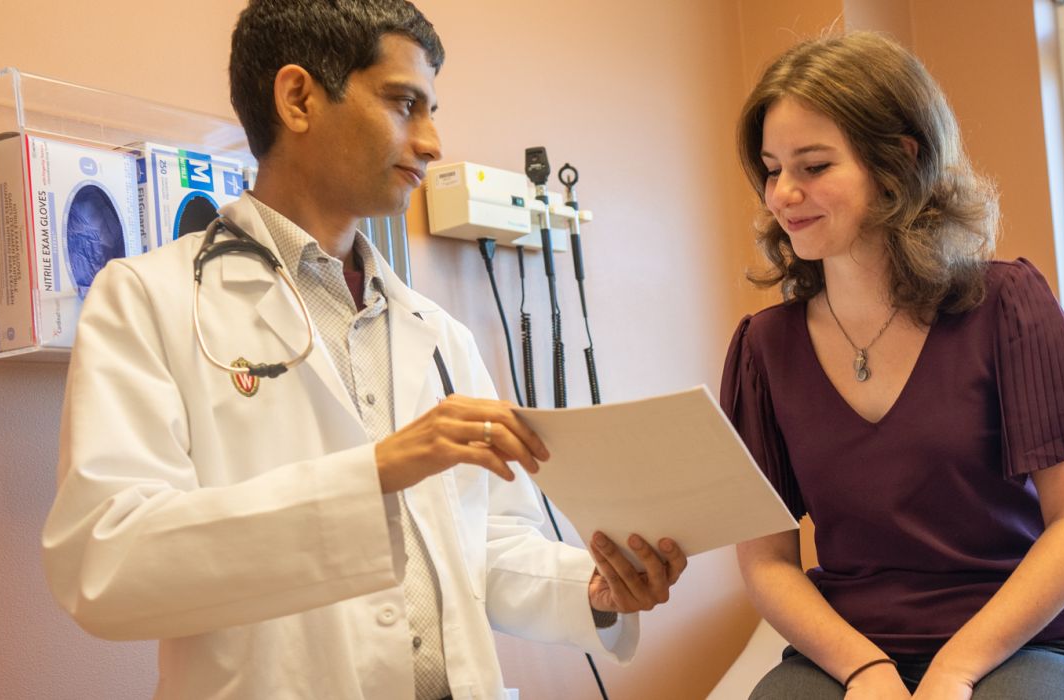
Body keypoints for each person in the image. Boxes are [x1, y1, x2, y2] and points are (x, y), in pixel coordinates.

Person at [40, 2, 686, 698]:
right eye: (405, 104)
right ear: (298, 98)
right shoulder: (147, 300)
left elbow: (487, 545)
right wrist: (375, 473)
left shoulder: (436, 334)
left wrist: (592, 588)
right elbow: (107, 567)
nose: (434, 141)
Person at [721, 32, 1064, 700]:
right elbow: (766, 562)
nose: (783, 194)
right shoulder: (764, 351)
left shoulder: (1008, 306)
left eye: (814, 166)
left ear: (898, 162)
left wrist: (957, 667)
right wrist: (865, 668)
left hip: (1022, 644)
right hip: (847, 653)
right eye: (772, 169)